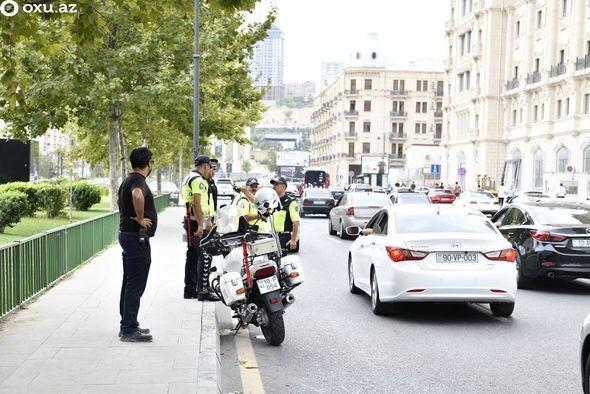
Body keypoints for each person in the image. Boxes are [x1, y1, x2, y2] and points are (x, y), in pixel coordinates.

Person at [117, 147, 157, 342]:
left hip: (128, 235)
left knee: (129, 281)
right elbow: (137, 196)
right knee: (135, 284)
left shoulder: (128, 179)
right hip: (135, 237)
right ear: (148, 163)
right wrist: (140, 219)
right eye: (152, 162)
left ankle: (127, 323)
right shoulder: (137, 181)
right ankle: (129, 329)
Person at [181, 155, 218, 301]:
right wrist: (202, 224)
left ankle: (190, 288)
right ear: (205, 166)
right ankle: (203, 290)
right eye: (210, 167)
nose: (210, 170)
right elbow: (196, 203)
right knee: (205, 255)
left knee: (193, 255)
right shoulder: (198, 180)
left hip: (191, 220)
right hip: (196, 222)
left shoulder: (190, 177)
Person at [270, 176, 300, 252]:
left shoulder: (291, 202)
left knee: (281, 261)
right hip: (271, 236)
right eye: (273, 185)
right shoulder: (272, 202)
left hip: (284, 237)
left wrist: (293, 240)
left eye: (276, 184)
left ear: (283, 186)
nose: (274, 186)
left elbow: (295, 223)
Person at [207, 158, 219, 223]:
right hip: (206, 216)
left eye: (215, 170)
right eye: (212, 169)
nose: (213, 172)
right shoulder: (204, 181)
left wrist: (216, 209)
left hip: (212, 214)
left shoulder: (212, 181)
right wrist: (208, 219)